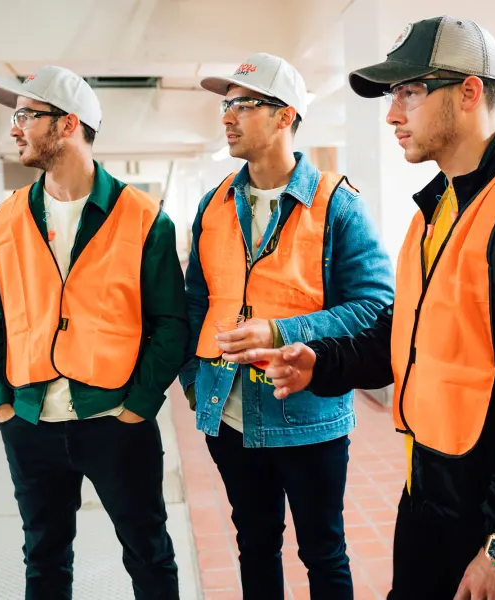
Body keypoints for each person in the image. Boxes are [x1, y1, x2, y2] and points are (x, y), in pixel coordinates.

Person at [246, 16, 495, 600]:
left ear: (469, 92)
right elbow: (413, 337)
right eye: (393, 96)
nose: (393, 114)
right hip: (434, 484)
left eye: (410, 93)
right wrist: (322, 363)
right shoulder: (440, 208)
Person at [180, 53, 394, 599]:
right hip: (227, 414)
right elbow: (194, 302)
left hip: (308, 418)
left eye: (241, 105)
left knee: (323, 551)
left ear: (284, 116)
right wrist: (192, 381)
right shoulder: (214, 205)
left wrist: (282, 331)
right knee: (254, 544)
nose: (226, 117)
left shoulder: (336, 205)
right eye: (225, 105)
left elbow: (375, 306)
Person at [0, 65, 188, 600]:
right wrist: (0, 400)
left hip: (115, 422)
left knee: (149, 552)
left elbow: (170, 323)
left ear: (67, 124)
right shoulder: (5, 219)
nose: (15, 127)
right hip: (30, 422)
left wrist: (137, 405)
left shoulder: (144, 218)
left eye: (26, 115)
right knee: (44, 557)